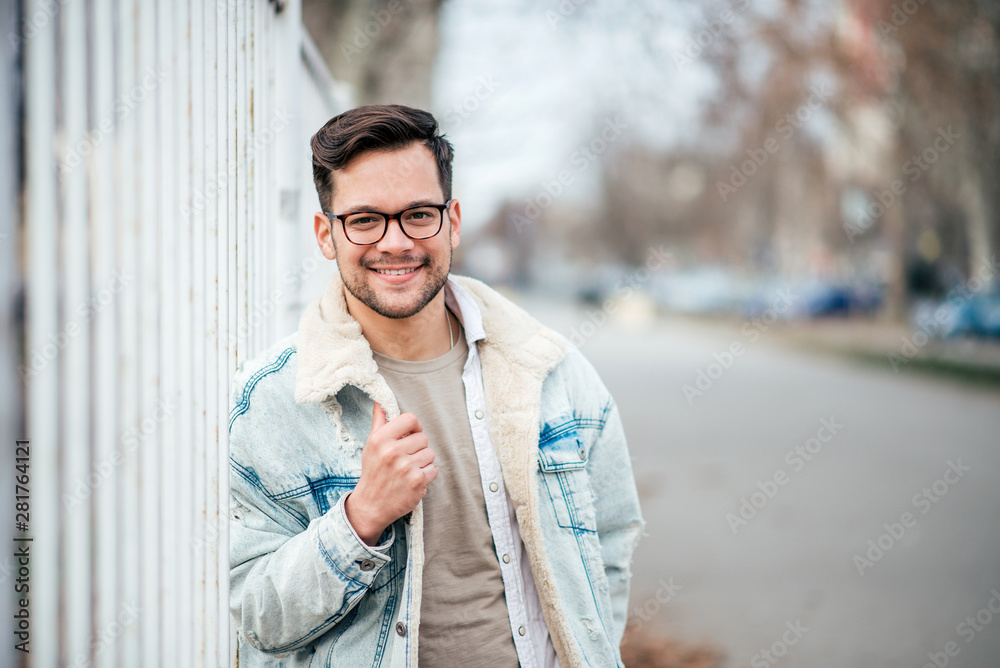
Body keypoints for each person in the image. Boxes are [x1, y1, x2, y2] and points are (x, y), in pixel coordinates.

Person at [228, 104, 644, 667]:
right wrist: (360, 519)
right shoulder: (272, 403)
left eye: (418, 214)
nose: (395, 242)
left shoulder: (551, 373)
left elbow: (610, 544)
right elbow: (258, 616)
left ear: (452, 221)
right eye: (365, 219)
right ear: (327, 234)